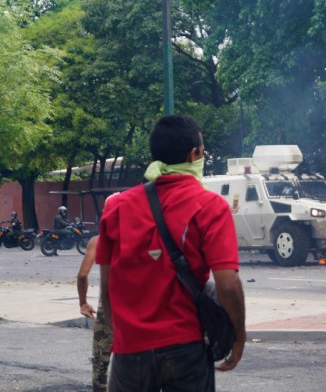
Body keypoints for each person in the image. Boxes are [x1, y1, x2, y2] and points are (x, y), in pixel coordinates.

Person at [96, 115, 246, 392]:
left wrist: (125, 335)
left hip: (130, 352)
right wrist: (238, 337)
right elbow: (227, 283)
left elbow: (107, 287)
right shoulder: (210, 207)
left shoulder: (116, 208)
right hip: (186, 349)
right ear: (195, 154)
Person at [77, 235, 112, 392]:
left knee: (100, 361)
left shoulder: (98, 241)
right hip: (136, 305)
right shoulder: (141, 234)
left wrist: (83, 302)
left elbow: (83, 275)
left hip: (108, 305)